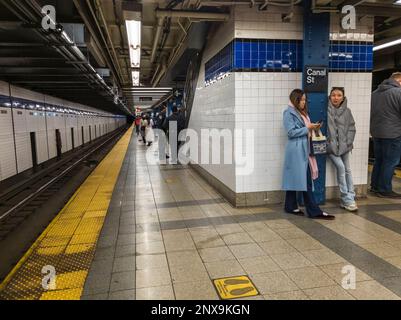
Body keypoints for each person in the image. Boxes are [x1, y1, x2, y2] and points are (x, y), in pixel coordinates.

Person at [282, 89, 335, 220]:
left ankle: (290, 206)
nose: (304, 102)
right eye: (302, 100)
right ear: (296, 99)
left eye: (305, 100)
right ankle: (314, 211)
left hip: (303, 148)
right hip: (297, 150)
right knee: (306, 181)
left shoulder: (302, 113)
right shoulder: (288, 113)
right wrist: (308, 128)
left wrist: (313, 127)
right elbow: (291, 132)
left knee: (296, 178)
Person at [370, 72, 401, 198]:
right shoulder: (398, 93)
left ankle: (375, 186)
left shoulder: (374, 93)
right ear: (398, 80)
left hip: (376, 133)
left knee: (379, 160)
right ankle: (384, 189)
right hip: (393, 133)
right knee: (391, 161)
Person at [327, 87, 358, 212]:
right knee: (341, 168)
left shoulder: (347, 111)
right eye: (333, 95)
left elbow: (351, 128)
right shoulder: (325, 110)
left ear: (343, 97)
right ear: (330, 97)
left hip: (345, 147)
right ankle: (346, 199)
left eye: (339, 95)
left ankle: (350, 197)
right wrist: (327, 144)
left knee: (348, 170)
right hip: (331, 147)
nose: (336, 98)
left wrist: (348, 142)